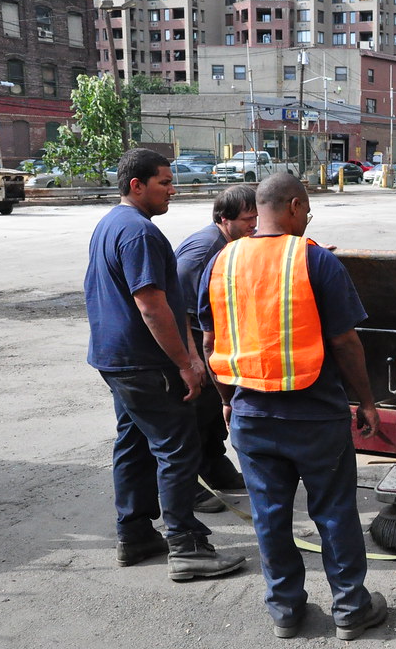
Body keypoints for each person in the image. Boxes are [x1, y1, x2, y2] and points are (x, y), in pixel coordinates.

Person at [198, 173, 388, 640]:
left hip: (251, 416)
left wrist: (227, 401)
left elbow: (209, 342)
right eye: (308, 211)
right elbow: (346, 342)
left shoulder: (222, 261)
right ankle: (350, 609)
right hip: (316, 417)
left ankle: (285, 610)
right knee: (334, 513)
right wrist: (367, 401)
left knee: (270, 517)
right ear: (295, 206)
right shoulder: (315, 260)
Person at [84, 148, 246, 581]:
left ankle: (135, 534)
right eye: (165, 182)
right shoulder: (140, 233)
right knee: (178, 449)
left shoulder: (111, 224)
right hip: (144, 363)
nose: (173, 190)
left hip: (116, 360)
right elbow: (152, 307)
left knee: (134, 443)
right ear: (137, 185)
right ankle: (187, 546)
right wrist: (186, 362)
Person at [174, 185, 258, 512]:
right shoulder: (205, 250)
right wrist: (191, 358)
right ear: (225, 219)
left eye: (256, 218)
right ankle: (188, 485)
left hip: (212, 338)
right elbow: (177, 308)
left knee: (211, 411)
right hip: (193, 339)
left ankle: (214, 466)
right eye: (248, 219)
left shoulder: (233, 243)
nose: (254, 225)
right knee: (194, 415)